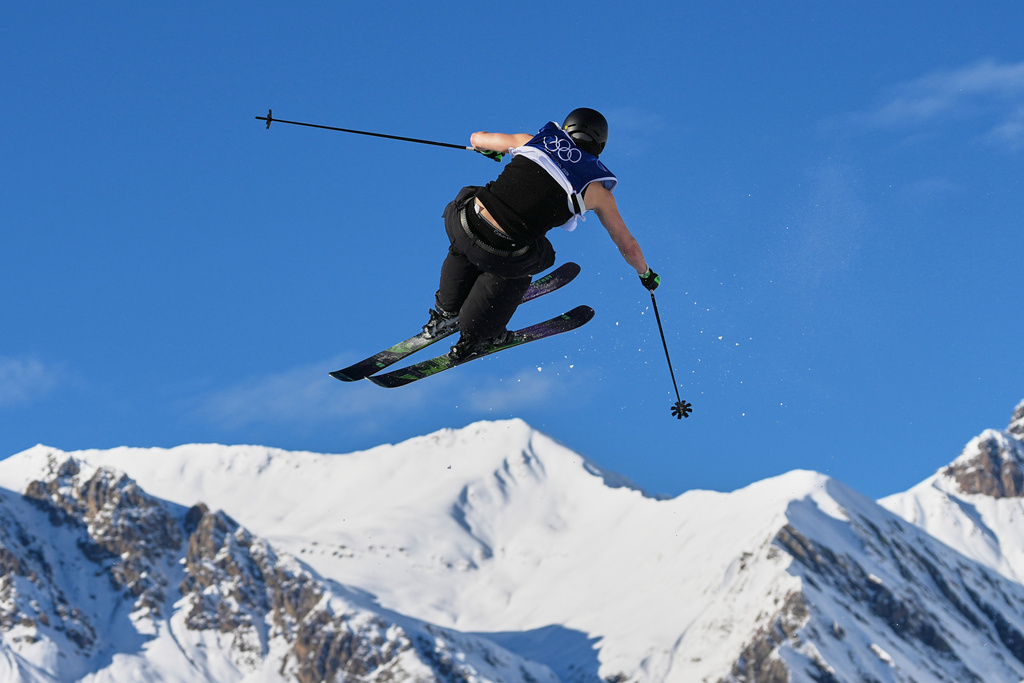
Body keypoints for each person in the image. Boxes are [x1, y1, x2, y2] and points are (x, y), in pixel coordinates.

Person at [423, 107, 660, 361]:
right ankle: (478, 335)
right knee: (538, 256)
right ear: (600, 145)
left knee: (472, 227)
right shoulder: (597, 191)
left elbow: (476, 138)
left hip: (461, 222)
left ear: (567, 128)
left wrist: (491, 149)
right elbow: (629, 246)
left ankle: (445, 312)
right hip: (499, 253)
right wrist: (645, 274)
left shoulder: (532, 141)